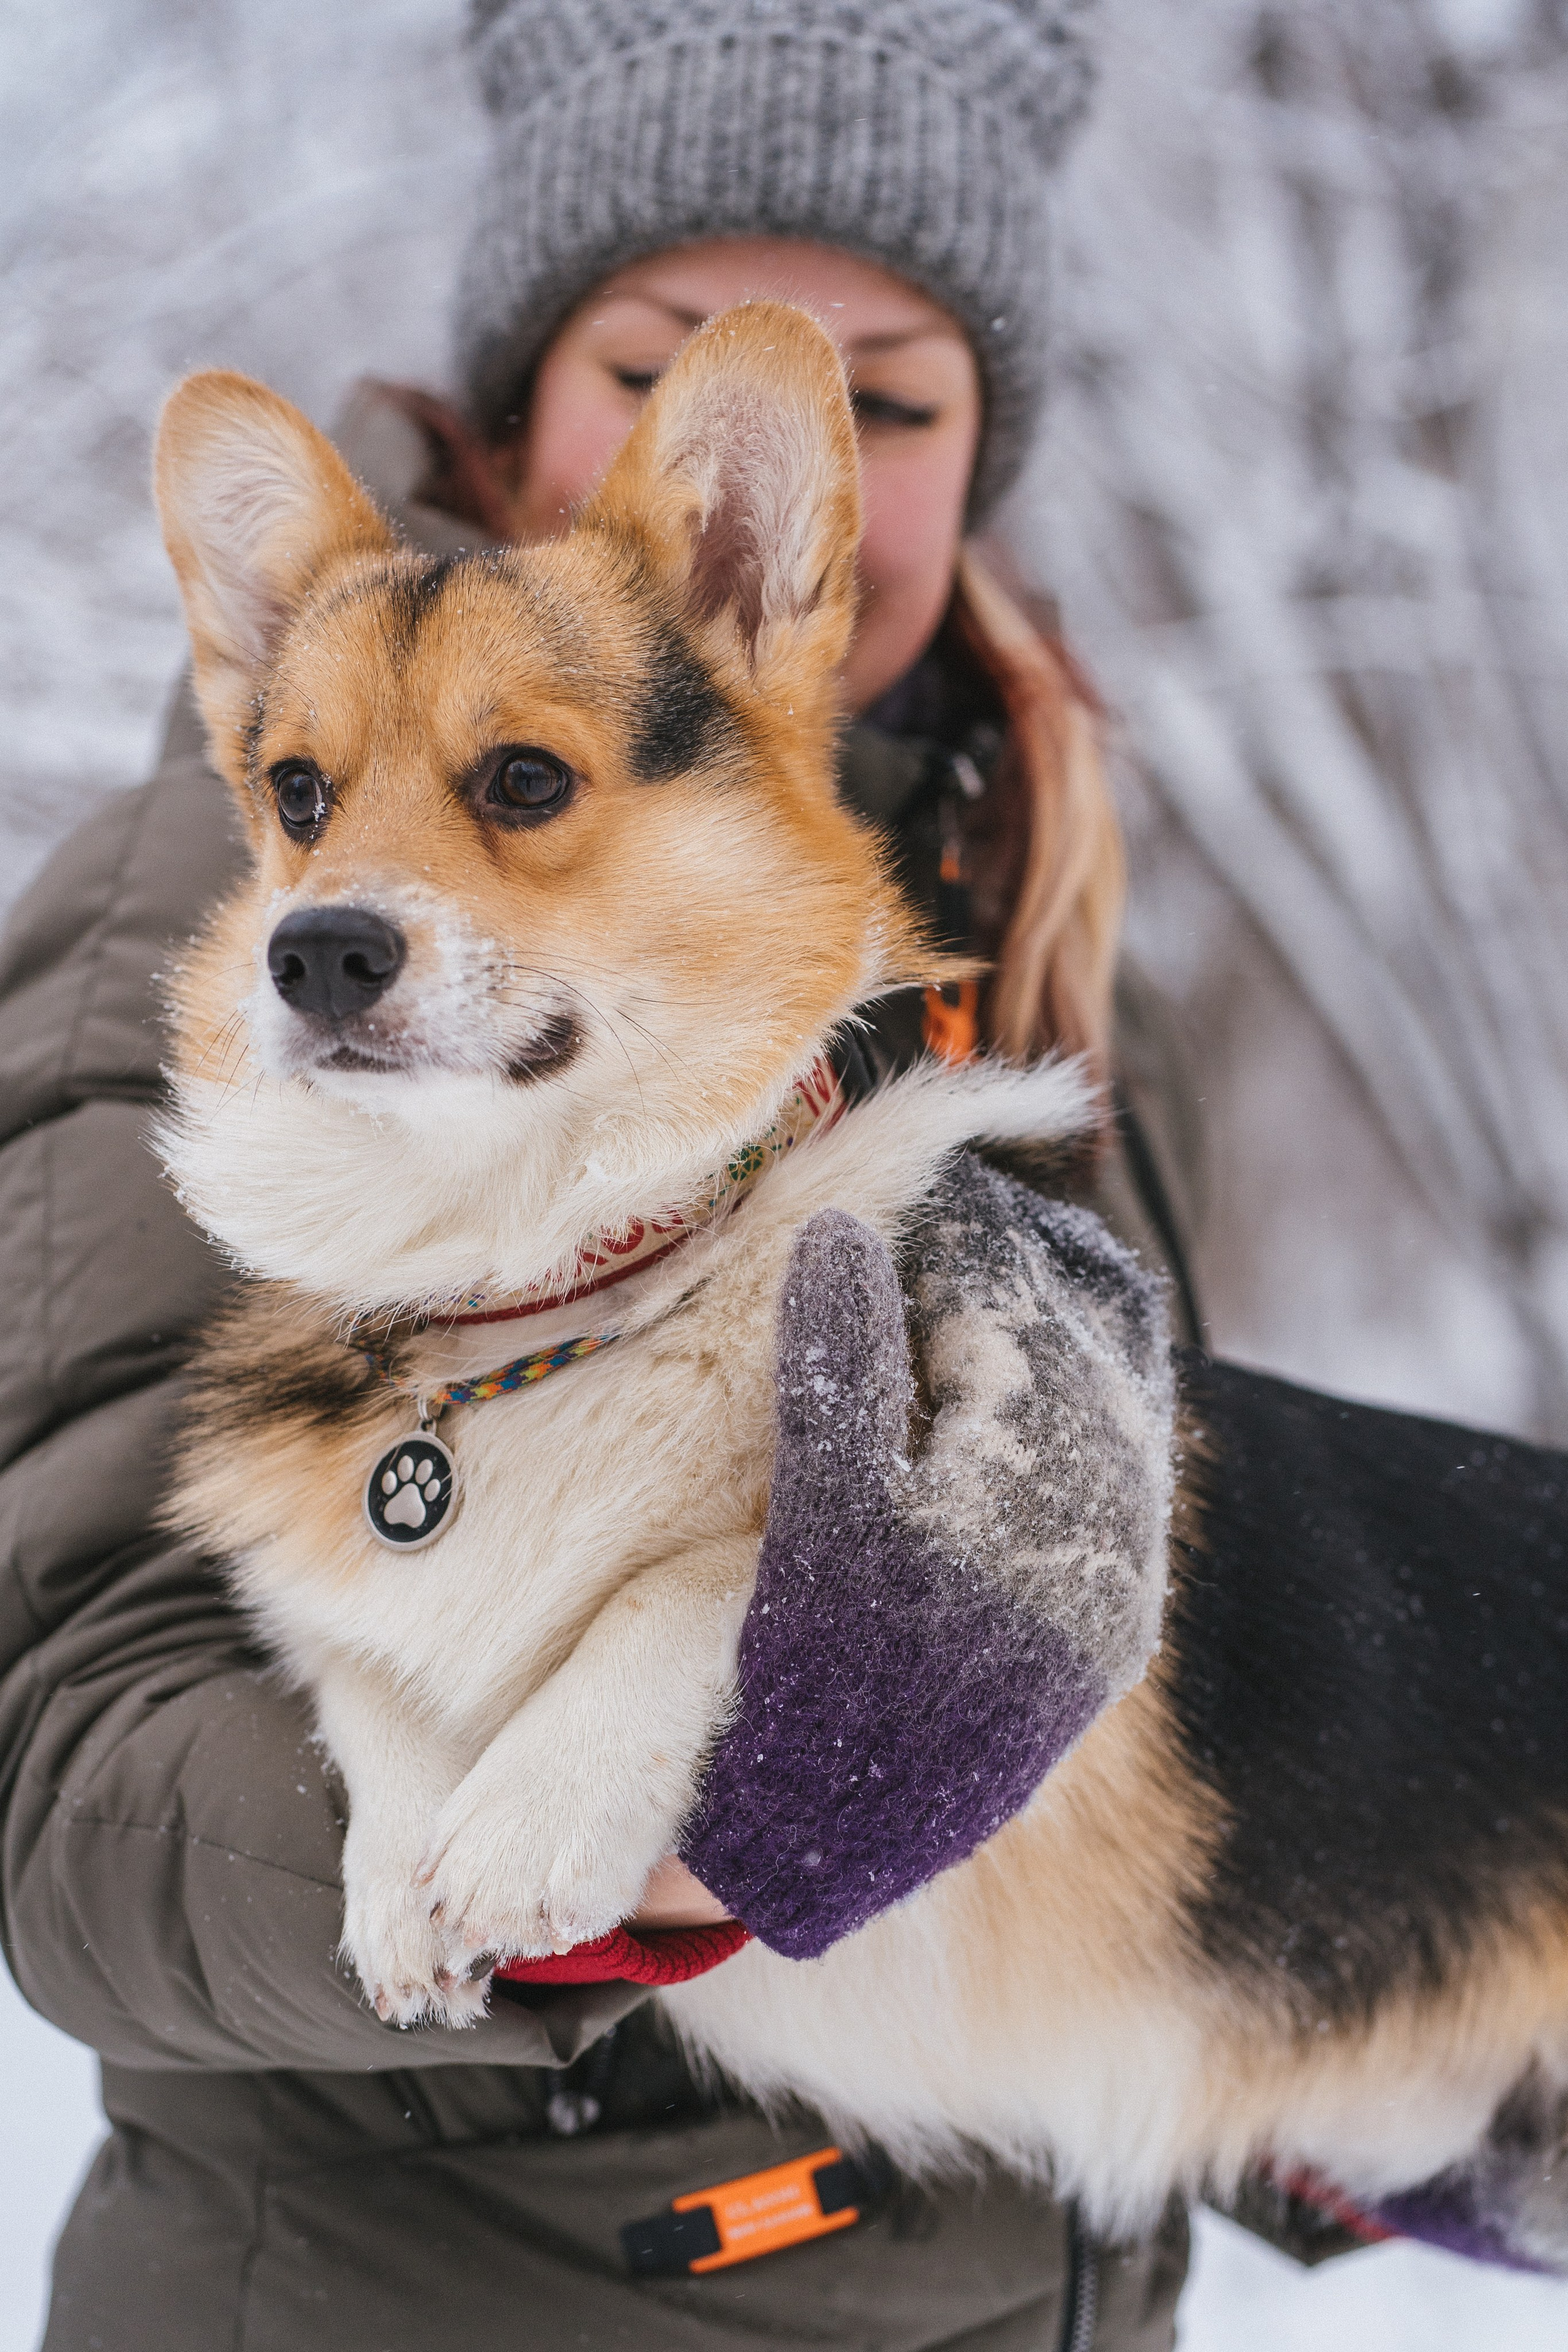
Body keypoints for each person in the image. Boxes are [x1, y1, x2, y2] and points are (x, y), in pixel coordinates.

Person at [1, 4, 1556, 2345]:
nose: (737, 443)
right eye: (647, 364)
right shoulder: (208, 955)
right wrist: (624, 1825)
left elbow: (1176, 1741)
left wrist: (1408, 2067)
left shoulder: (1035, 940)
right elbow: (76, 1795)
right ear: (527, 395)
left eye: (894, 393)